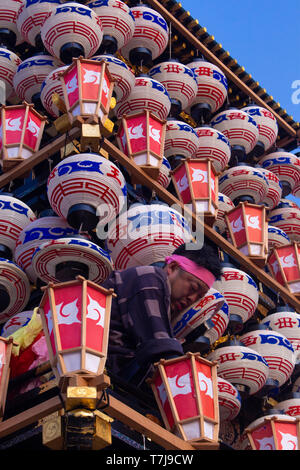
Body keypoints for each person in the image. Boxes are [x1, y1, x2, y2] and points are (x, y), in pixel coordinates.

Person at [101, 242, 222, 387]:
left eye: (199, 296)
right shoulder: (151, 277)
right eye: (193, 288)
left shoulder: (162, 299)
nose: (192, 298)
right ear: (172, 268)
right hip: (102, 368)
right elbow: (160, 346)